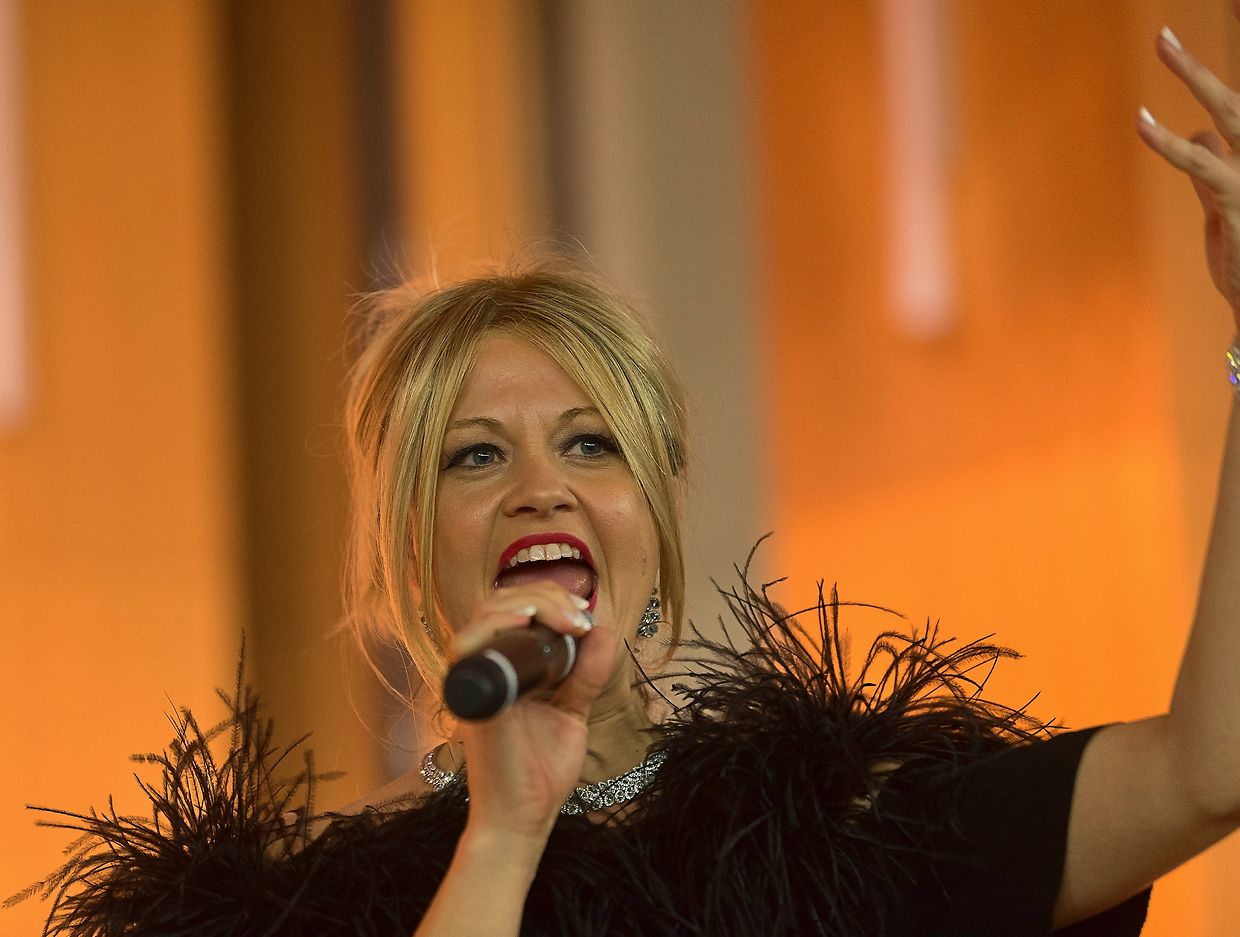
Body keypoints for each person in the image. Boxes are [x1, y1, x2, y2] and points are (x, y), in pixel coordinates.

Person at [11, 18, 1240, 937]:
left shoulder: (841, 830)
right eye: (475, 454)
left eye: (591, 443)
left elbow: (1209, 766)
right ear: (405, 547)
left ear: (652, 511)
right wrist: (504, 831)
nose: (541, 486)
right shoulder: (293, 908)